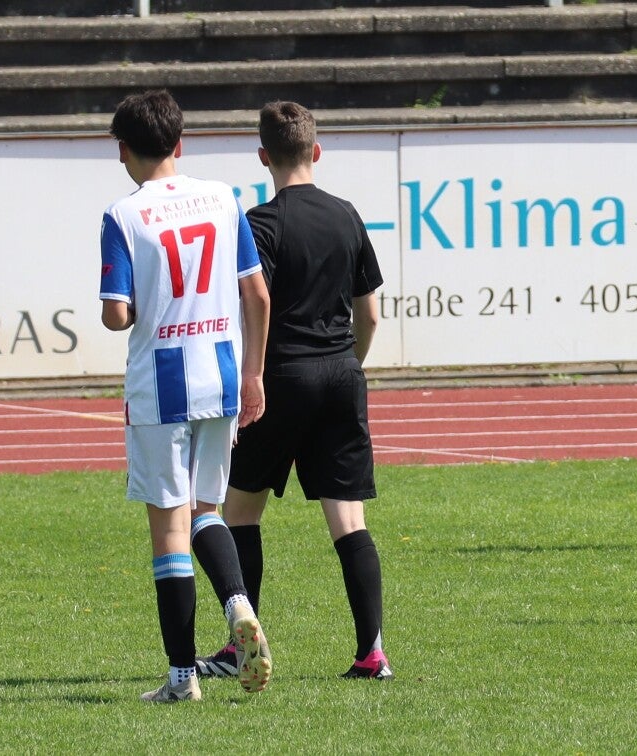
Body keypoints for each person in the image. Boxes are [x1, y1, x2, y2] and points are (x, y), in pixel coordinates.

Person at [193, 101, 394, 681]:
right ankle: (372, 653)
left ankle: (239, 645)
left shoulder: (259, 223)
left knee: (240, 510)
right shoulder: (348, 214)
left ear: (263, 157)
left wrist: (250, 375)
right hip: (341, 375)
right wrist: (348, 365)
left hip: (281, 378)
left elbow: (252, 307)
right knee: (349, 520)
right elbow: (370, 314)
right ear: (317, 151)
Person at [97, 89, 274, 702]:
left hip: (161, 384)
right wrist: (253, 374)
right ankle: (238, 602)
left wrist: (130, 306)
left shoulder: (122, 215)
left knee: (168, 530)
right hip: (221, 374)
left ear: (124, 150)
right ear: (180, 143)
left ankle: (181, 679)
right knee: (207, 511)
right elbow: (257, 295)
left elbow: (117, 314)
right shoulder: (224, 198)